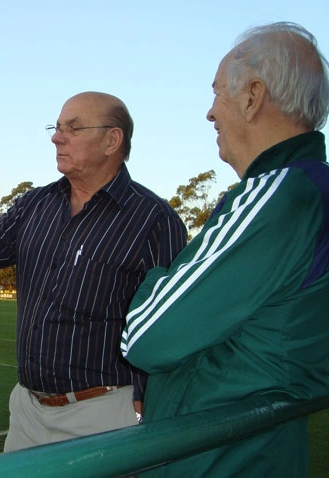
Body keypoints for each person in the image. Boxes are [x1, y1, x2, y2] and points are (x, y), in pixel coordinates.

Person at [0, 91, 187, 452]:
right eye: (57, 127)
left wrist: (145, 402)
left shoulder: (154, 220)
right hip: (28, 412)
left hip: (105, 413)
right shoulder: (36, 203)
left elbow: (171, 324)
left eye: (73, 128)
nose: (56, 137)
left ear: (112, 140)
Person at [121, 22, 329, 477]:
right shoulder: (313, 190)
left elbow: (144, 336)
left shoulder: (277, 196)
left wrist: (156, 281)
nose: (210, 114)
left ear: (253, 96)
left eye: (217, 94)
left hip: (218, 462)